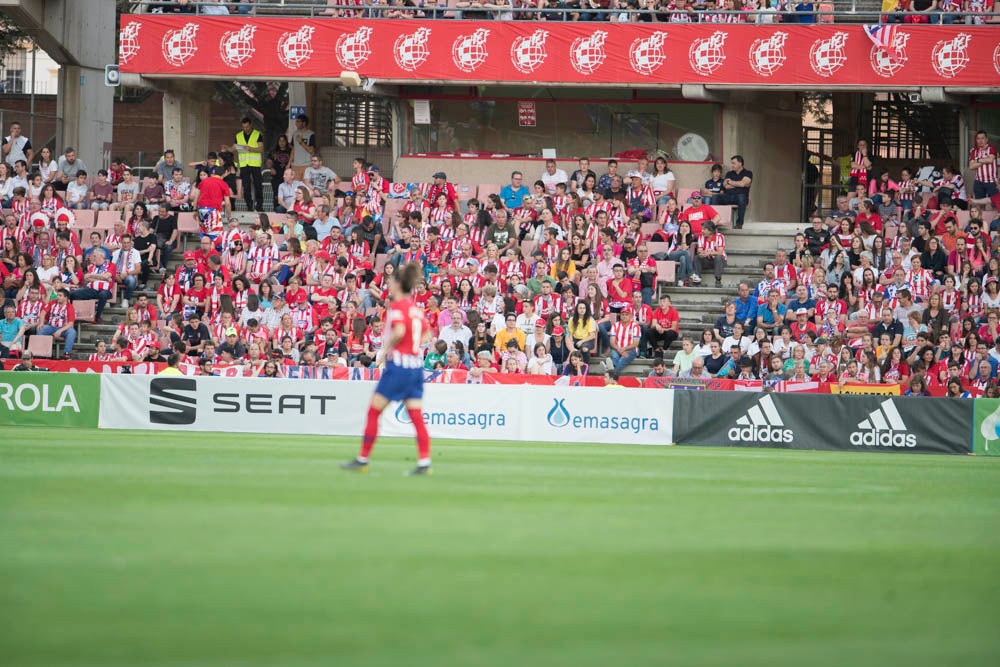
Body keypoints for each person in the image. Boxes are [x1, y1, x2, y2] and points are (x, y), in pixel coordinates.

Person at [342, 263, 433, 476]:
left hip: (399, 367)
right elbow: (428, 336)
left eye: (391, 282)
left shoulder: (399, 307)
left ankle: (362, 459)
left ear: (398, 284)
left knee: (374, 411)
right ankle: (424, 462)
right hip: (415, 368)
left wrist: (385, 351)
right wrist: (414, 345)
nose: (388, 284)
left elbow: (400, 330)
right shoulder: (416, 310)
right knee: (417, 416)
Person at [232, 117, 264, 212]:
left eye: (247, 126)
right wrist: (228, 148)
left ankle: (259, 206)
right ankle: (249, 206)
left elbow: (261, 149)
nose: (245, 128)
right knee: (246, 187)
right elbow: (234, 148)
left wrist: (251, 149)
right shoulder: (238, 136)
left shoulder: (257, 134)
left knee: (258, 186)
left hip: (255, 164)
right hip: (244, 164)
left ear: (250, 125)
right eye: (243, 127)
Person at [711, 155, 752, 229]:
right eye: (732, 163)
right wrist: (738, 184)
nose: (732, 165)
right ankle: (715, 222)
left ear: (740, 163)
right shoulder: (729, 173)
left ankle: (739, 224)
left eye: (734, 163)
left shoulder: (748, 173)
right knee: (715, 197)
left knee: (741, 197)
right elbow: (726, 186)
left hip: (741, 197)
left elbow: (742, 184)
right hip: (728, 196)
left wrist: (730, 182)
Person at [289, 114, 316, 180]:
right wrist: (289, 163)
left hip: (307, 165)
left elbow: (311, 150)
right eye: (296, 121)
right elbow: (293, 149)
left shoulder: (311, 134)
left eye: (298, 121)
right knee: (295, 186)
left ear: (304, 123)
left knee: (306, 186)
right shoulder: (295, 133)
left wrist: (301, 142)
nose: (296, 123)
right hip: (296, 165)